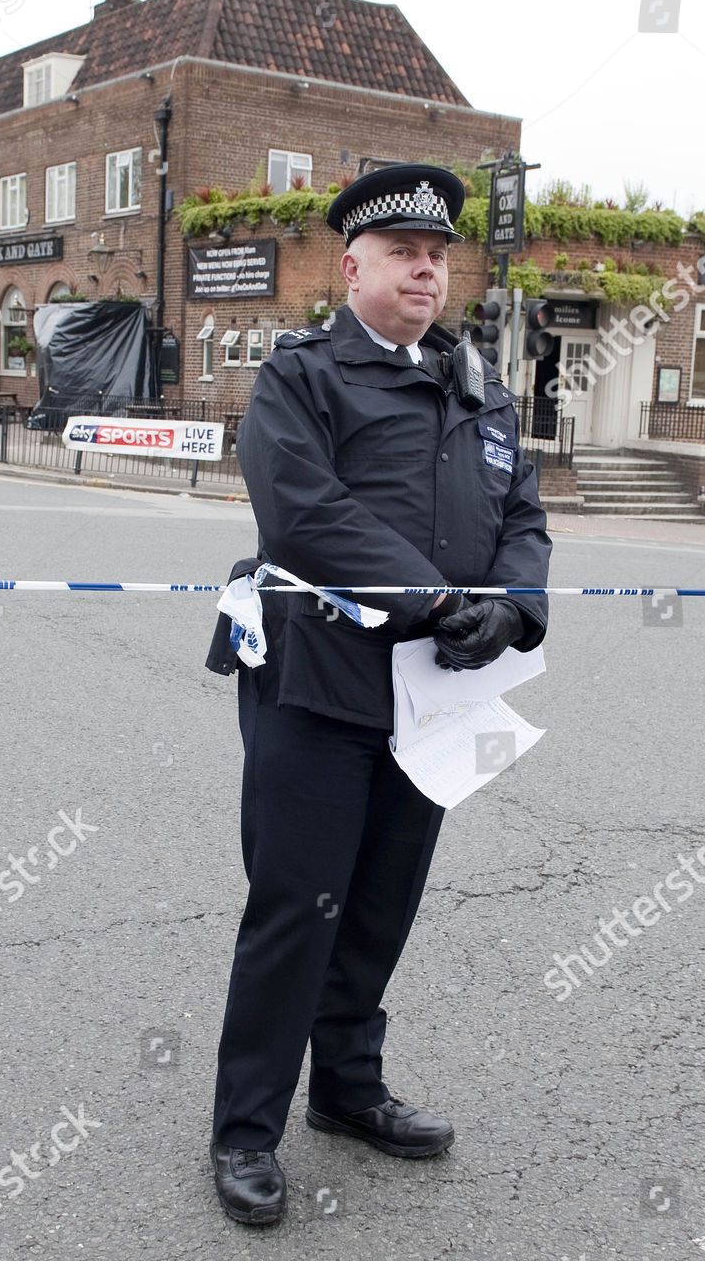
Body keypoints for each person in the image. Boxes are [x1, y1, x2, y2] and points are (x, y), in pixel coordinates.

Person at [204, 163, 551, 1225]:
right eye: (405, 254)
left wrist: (515, 607)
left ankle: (348, 1092)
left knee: (381, 905)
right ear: (350, 266)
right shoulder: (303, 375)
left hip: (433, 699)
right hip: (317, 684)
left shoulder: (478, 387)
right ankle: (245, 1130)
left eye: (439, 256)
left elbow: (525, 514)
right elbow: (302, 514)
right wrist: (440, 596)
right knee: (296, 909)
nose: (428, 272)